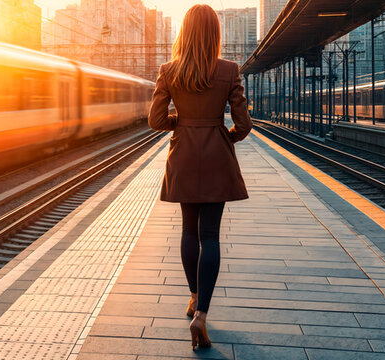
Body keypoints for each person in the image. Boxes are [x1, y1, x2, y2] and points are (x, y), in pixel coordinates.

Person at [147, 3, 252, 350]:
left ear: (184, 32)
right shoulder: (229, 70)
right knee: (211, 235)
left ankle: (193, 296)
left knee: (189, 231)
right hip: (217, 156)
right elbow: (244, 123)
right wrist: (227, 136)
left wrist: (182, 123)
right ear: (216, 34)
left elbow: (156, 120)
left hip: (184, 156)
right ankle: (202, 314)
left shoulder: (168, 70)